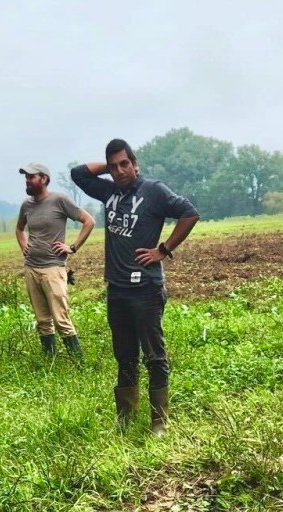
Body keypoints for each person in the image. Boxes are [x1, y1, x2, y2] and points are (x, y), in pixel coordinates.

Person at [71, 139, 199, 435]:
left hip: (147, 289)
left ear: (135, 163)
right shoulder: (109, 191)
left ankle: (159, 422)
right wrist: (111, 167)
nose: (118, 171)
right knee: (124, 354)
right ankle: (126, 417)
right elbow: (79, 174)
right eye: (113, 166)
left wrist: (163, 250)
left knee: (154, 355)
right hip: (117, 289)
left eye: (124, 164)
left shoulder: (153, 191)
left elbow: (189, 213)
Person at [16, 162, 95, 357]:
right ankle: (49, 360)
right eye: (26, 177)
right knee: (42, 320)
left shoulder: (59, 200)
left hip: (53, 269)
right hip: (31, 268)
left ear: (43, 179)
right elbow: (19, 228)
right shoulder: (27, 204)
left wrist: (72, 247)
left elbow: (89, 221)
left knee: (61, 319)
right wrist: (24, 245)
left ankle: (79, 363)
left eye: (31, 177)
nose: (27, 181)